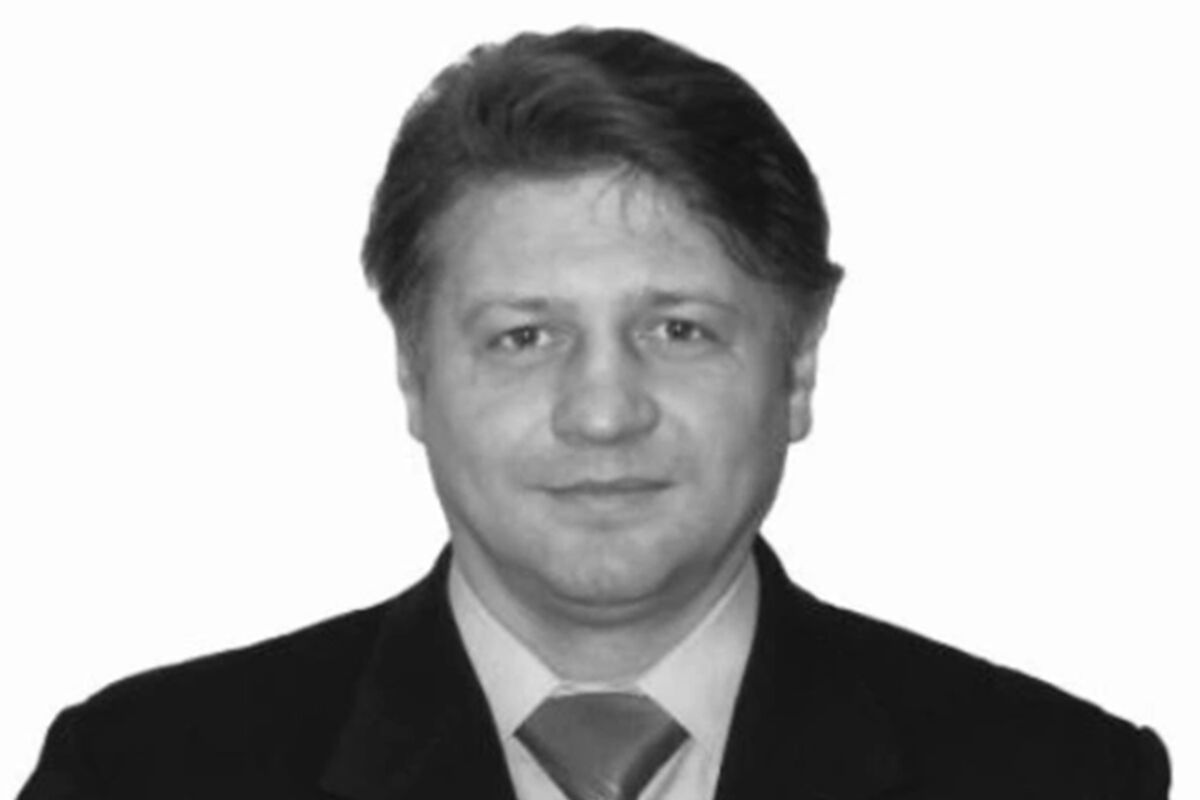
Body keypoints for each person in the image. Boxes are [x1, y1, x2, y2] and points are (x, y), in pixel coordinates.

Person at [19, 26, 1170, 800]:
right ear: (413, 371)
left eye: (680, 328)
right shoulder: (138, 772)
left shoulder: (1063, 776)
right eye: (524, 336)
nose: (605, 412)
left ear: (799, 364)